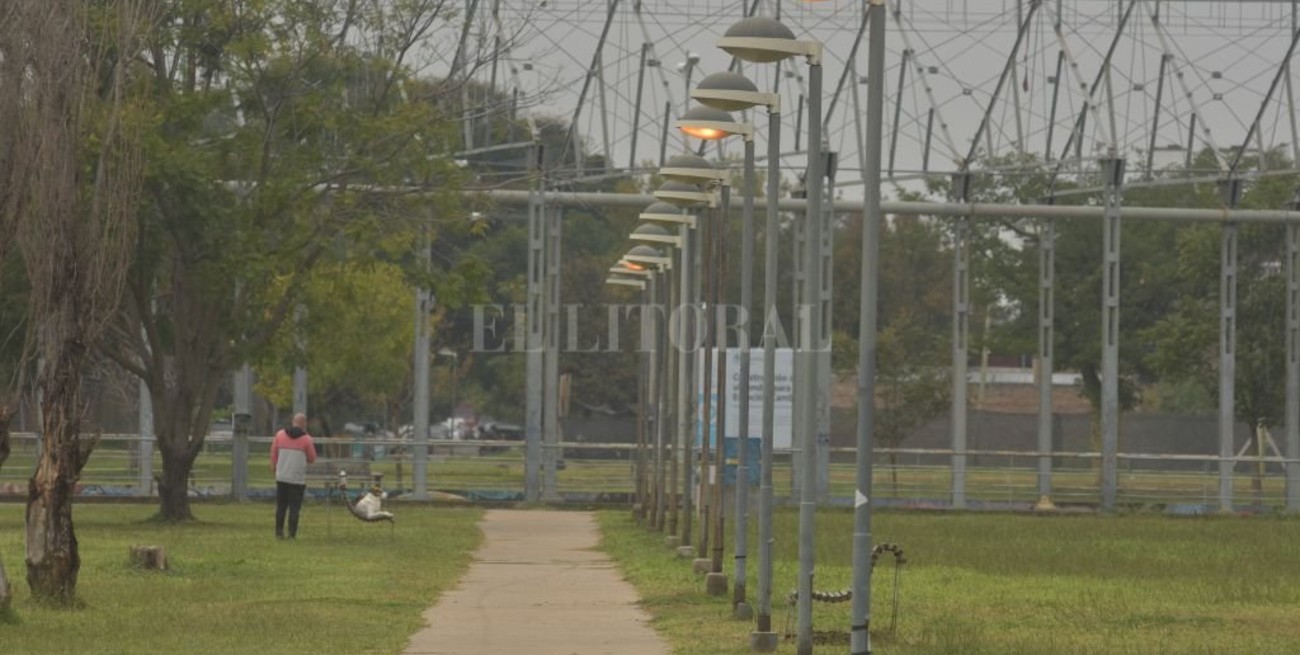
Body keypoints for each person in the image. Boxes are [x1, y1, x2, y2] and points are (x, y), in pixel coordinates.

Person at [270, 413, 317, 539]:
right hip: (297, 479)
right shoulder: (306, 439)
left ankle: (279, 532)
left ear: (293, 422)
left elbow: (273, 454)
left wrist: (274, 467)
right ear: (304, 424)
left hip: (282, 476)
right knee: (294, 508)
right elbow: (312, 458)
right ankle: (292, 534)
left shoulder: (280, 435)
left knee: (281, 506)